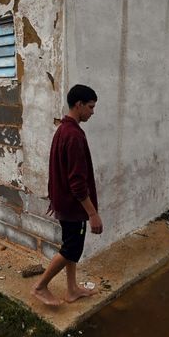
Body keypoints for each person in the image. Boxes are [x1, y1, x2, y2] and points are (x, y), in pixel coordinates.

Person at [32, 84, 103, 307]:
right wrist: (93, 214)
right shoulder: (73, 135)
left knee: (72, 246)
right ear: (79, 105)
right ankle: (40, 286)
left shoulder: (64, 129)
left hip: (64, 203)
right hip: (74, 207)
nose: (93, 112)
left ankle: (72, 290)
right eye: (90, 107)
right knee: (71, 249)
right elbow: (77, 183)